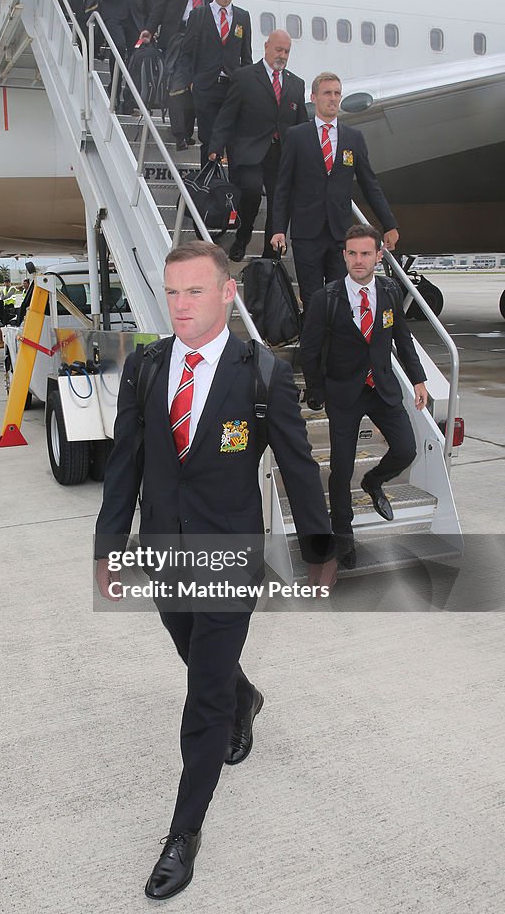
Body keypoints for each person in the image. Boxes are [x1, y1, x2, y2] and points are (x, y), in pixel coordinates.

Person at [94, 240, 335, 900]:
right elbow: (126, 467)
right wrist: (110, 545)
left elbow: (294, 466)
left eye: (194, 291)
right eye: (172, 293)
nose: (180, 306)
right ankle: (246, 697)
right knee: (192, 652)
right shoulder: (145, 368)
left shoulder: (261, 374)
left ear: (229, 293)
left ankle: (184, 833)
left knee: (202, 696)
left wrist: (320, 548)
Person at [299, 225, 427, 568]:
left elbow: (403, 338)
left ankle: (374, 481)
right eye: (352, 253)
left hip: (381, 387)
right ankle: (343, 534)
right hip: (344, 392)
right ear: (344, 255)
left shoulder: (387, 290)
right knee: (341, 468)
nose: (359, 260)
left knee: (406, 449)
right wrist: (316, 390)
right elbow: (309, 351)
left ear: (378, 256)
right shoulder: (326, 298)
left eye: (366, 254)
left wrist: (418, 380)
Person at [271, 71, 399, 312]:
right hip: (307, 233)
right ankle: (314, 350)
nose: (332, 98)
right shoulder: (297, 136)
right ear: (314, 97)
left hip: (340, 234)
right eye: (327, 93)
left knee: (340, 298)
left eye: (337, 93)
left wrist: (388, 224)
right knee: (312, 299)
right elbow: (283, 187)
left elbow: (369, 183)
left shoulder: (354, 138)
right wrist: (278, 228)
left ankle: (335, 350)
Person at [209, 29, 307, 262]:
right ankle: (242, 237)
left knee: (279, 201)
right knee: (251, 192)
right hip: (249, 150)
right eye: (278, 49)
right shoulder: (244, 77)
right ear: (266, 47)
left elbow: (301, 123)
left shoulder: (296, 84)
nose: (282, 55)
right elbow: (227, 115)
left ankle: (269, 255)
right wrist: (216, 146)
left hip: (281, 154)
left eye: (286, 51)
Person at [139, 0, 215, 149]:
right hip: (177, 33)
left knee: (193, 85)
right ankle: (179, 133)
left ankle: (188, 131)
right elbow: (161, 2)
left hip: (199, 35)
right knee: (176, 82)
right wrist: (150, 29)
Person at [178, 0, 252, 169]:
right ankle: (209, 188)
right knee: (209, 140)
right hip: (206, 87)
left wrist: (247, 87)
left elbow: (246, 57)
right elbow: (186, 52)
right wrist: (191, 83)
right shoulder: (199, 15)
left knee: (232, 139)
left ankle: (230, 189)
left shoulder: (242, 17)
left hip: (232, 87)